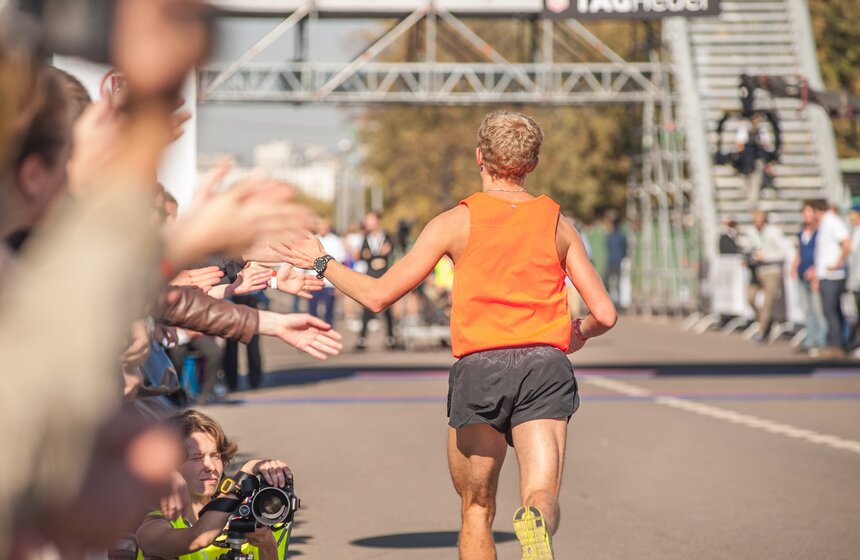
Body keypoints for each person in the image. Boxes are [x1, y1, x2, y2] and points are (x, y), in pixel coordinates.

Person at [282, 111, 617, 559]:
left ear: (480, 157)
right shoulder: (556, 223)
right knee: (541, 492)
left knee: (476, 508)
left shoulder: (455, 222)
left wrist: (322, 263)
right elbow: (606, 314)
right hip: (544, 364)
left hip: (482, 368)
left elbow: (379, 296)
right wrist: (579, 332)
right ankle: (536, 523)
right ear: (532, 165)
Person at [136, 410, 293, 560]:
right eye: (197, 458)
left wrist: (267, 544)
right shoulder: (153, 526)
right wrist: (244, 475)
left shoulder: (246, 514)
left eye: (215, 456)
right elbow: (199, 537)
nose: (210, 466)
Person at [813, 200, 851, 358]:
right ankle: (837, 342)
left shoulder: (832, 221)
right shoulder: (826, 223)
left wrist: (838, 263)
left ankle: (835, 345)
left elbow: (847, 242)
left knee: (830, 310)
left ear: (817, 211)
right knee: (833, 310)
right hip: (826, 274)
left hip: (832, 275)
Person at [356, 211, 397, 351]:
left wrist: (382, 253)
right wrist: (371, 254)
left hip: (384, 274)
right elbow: (362, 254)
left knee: (387, 308)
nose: (367, 223)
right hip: (370, 274)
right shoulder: (365, 238)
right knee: (367, 308)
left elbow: (392, 251)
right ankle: (362, 338)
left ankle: (391, 337)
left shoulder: (387, 236)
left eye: (370, 220)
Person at [790, 201, 827, 356]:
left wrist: (816, 271)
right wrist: (794, 265)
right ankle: (810, 339)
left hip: (815, 274)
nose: (807, 215)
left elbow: (822, 253)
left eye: (809, 212)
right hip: (802, 273)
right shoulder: (802, 231)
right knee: (807, 309)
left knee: (818, 309)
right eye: (804, 212)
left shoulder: (821, 231)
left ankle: (822, 341)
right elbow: (800, 251)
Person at [744, 210, 786, 342]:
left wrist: (766, 257)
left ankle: (762, 331)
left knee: (767, 303)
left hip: (772, 271)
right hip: (757, 271)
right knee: (750, 298)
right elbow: (749, 248)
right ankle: (765, 321)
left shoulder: (774, 232)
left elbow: (784, 252)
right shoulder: (751, 232)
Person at [310, 218, 348, 327]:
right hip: (313, 282)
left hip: (330, 282)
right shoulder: (312, 239)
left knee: (329, 312)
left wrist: (339, 285)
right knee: (312, 311)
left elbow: (341, 262)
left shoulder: (336, 241)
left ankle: (329, 333)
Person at [604, 217, 627, 308]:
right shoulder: (618, 236)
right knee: (611, 283)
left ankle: (615, 304)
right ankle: (612, 303)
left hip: (614, 262)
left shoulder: (617, 236)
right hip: (614, 262)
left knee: (614, 284)